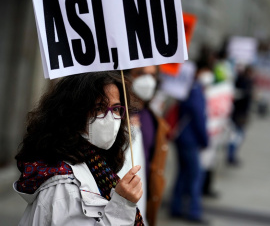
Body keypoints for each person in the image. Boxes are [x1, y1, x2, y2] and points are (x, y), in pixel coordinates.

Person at [14, 71, 144, 226]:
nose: (110, 118)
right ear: (73, 113)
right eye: (99, 108)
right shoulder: (64, 185)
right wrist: (122, 205)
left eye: (116, 109)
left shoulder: (98, 166)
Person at [126, 66, 169, 226]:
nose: (147, 80)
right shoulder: (115, 117)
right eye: (141, 73)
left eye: (152, 75)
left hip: (143, 202)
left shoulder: (153, 119)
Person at [170, 63, 209, 224]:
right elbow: (199, 117)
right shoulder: (194, 90)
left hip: (182, 138)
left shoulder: (185, 88)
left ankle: (176, 207)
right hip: (190, 139)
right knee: (195, 176)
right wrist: (205, 140)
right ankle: (193, 211)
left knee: (183, 173)